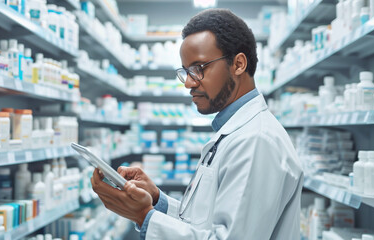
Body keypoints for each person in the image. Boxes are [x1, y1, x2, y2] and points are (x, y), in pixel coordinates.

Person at [91, 8, 303, 239]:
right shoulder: (234, 131)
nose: (189, 83)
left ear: (239, 64)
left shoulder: (256, 141)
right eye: (186, 71)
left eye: (199, 69)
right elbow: (203, 225)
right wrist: (156, 202)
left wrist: (145, 216)